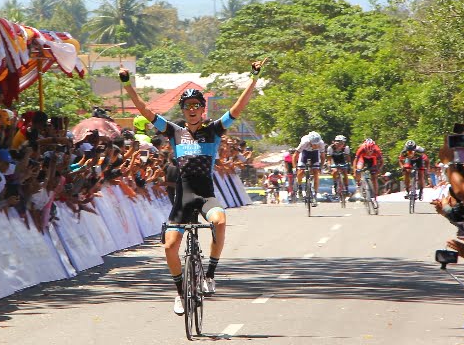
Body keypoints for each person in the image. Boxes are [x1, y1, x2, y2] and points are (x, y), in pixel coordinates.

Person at [119, 59, 264, 316]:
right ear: (183, 110)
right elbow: (143, 110)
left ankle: (209, 275)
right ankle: (179, 293)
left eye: (197, 105)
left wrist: (253, 79)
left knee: (219, 221)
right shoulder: (174, 131)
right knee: (169, 246)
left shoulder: (214, 130)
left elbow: (237, 108)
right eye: (187, 106)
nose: (192, 109)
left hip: (206, 194)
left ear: (202, 109)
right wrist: (127, 83)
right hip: (183, 197)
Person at [293, 131, 325, 207]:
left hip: (315, 154)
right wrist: (295, 167)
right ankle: (299, 186)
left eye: (317, 144)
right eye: (314, 144)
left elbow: (323, 156)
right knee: (300, 171)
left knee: (316, 173)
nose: (316, 145)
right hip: (305, 153)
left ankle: (315, 195)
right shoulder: (304, 142)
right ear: (310, 142)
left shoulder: (321, 143)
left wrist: (321, 166)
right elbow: (295, 155)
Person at [353, 138, 383, 206]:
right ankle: (358, 183)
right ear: (365, 147)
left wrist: (379, 169)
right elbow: (355, 160)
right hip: (362, 159)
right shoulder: (361, 149)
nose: (369, 152)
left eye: (371, 151)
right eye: (367, 151)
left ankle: (375, 195)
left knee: (374, 177)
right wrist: (355, 170)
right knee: (358, 170)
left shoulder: (377, 150)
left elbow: (381, 162)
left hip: (372, 160)